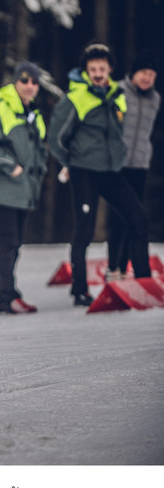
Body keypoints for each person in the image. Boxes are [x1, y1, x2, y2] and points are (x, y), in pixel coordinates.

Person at [49, 43, 151, 306]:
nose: (97, 74)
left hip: (110, 170)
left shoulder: (117, 95)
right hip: (84, 171)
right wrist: (71, 162)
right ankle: (80, 290)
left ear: (110, 70)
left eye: (101, 69)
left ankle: (144, 283)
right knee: (85, 230)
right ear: (86, 70)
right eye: (92, 69)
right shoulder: (76, 98)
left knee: (138, 218)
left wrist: (119, 157)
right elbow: (56, 138)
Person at [0, 61, 48, 314]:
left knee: (14, 245)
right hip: (3, 188)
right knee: (8, 243)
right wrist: (9, 165)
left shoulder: (32, 112)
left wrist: (40, 171)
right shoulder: (1, 106)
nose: (29, 86)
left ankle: (9, 292)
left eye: (34, 82)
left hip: (23, 190)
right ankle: (4, 298)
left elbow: (37, 149)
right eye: (24, 80)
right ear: (15, 82)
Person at [106, 54, 160, 281]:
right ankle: (113, 267)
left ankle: (124, 266)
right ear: (134, 73)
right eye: (144, 73)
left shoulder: (155, 99)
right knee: (119, 218)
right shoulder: (117, 90)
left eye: (152, 75)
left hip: (140, 165)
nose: (147, 78)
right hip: (118, 165)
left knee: (135, 219)